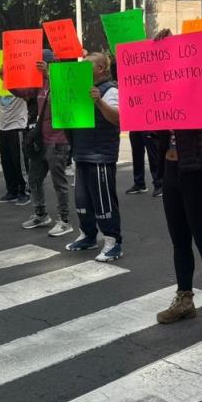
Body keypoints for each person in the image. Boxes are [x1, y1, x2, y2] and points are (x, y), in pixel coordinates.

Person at [149, 29, 202, 339]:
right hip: (172, 173)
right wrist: (157, 56)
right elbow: (141, 88)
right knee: (180, 242)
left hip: (201, 173)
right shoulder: (165, 90)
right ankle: (184, 299)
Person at [7, 51, 74, 236]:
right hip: (41, 141)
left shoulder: (62, 79)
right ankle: (40, 214)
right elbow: (24, 93)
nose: (40, 67)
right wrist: (6, 79)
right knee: (34, 179)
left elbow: (69, 93)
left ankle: (64, 220)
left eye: (44, 64)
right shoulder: (40, 83)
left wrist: (48, 74)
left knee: (58, 182)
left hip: (58, 140)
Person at [66, 52, 123, 262]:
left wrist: (99, 102)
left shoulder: (110, 90)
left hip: (100, 155)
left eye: (88, 64)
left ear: (100, 68)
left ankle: (113, 241)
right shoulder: (81, 90)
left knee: (104, 201)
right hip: (81, 153)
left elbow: (118, 118)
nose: (83, 67)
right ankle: (88, 235)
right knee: (82, 201)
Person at [0, 90, 30, 204]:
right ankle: (12, 191)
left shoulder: (20, 81)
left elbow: (28, 96)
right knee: (6, 162)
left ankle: (24, 191)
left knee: (19, 162)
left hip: (17, 126)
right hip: (3, 127)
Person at [126, 131, 162, 197]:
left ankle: (159, 184)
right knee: (137, 155)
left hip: (148, 126)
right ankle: (139, 183)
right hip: (134, 126)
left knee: (153, 156)